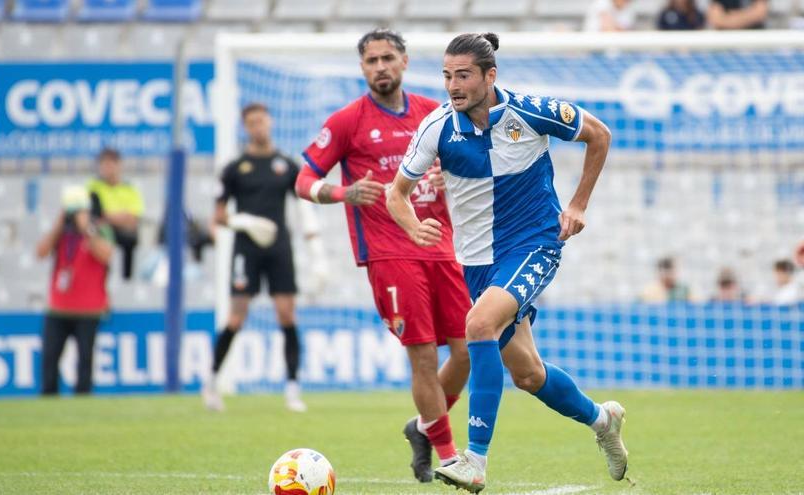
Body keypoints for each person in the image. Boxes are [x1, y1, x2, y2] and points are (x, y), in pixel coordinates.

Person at [387, 33, 626, 493]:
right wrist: (413, 227)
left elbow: (599, 135)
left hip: (535, 244)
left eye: (463, 76)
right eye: (447, 76)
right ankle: (603, 420)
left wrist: (578, 204)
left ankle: (474, 461)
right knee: (529, 374)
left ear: (489, 75)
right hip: (478, 263)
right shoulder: (437, 127)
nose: (453, 86)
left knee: (477, 326)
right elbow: (396, 194)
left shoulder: (531, 111)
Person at [295, 29, 471, 483]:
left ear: (404, 61)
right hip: (390, 253)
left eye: (387, 58)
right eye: (371, 61)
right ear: (362, 68)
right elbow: (303, 181)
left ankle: (424, 428)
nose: (380, 67)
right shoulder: (347, 121)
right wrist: (343, 192)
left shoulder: (435, 113)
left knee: (469, 350)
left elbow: (467, 161)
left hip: (443, 246)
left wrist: (453, 177)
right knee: (423, 357)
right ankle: (449, 456)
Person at [201, 103, 309, 413]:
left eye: (261, 120)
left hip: (279, 247)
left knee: (287, 315)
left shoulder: (286, 165)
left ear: (270, 122)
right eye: (251, 122)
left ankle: (292, 389)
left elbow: (304, 203)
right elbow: (218, 217)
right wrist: (245, 222)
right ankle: (211, 382)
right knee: (236, 317)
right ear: (245, 127)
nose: (257, 126)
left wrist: (313, 243)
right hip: (246, 249)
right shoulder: (235, 169)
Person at [36, 185, 114, 395]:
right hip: (58, 308)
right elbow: (40, 252)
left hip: (89, 309)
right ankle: (48, 397)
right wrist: (58, 225)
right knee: (50, 357)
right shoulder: (61, 233)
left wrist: (86, 229)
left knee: (85, 359)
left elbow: (106, 255)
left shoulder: (100, 229)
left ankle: (83, 397)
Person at [88, 148, 144, 280]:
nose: (107, 169)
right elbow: (92, 214)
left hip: (122, 231)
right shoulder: (93, 186)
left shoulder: (130, 189)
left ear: (119, 165)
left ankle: (127, 279)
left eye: (110, 164)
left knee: (130, 238)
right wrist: (120, 216)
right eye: (104, 164)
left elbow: (133, 218)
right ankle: (99, 278)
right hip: (100, 230)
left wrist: (106, 216)